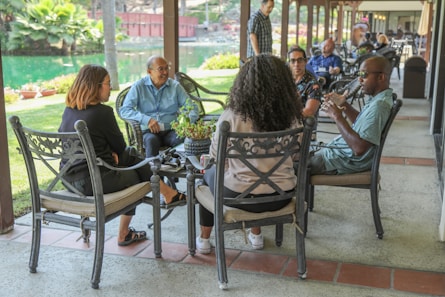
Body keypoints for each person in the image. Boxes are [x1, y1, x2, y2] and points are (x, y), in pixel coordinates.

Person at [59, 64, 185, 247]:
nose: (110, 88)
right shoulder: (103, 113)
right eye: (108, 84)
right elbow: (120, 147)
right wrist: (114, 154)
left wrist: (112, 154)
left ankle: (168, 193)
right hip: (93, 182)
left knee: (132, 159)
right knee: (138, 172)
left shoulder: (68, 111)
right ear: (95, 86)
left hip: (69, 179)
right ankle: (128, 229)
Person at [196, 54, 304, 254]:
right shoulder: (293, 119)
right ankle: (256, 235)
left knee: (206, 176)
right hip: (282, 196)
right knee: (254, 174)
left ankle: (203, 240)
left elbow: (216, 158)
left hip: (239, 197)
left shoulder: (231, 118)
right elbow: (296, 156)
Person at [309, 56, 393, 175]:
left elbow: (359, 148)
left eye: (364, 74)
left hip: (341, 161)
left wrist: (337, 116)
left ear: (381, 77)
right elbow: (361, 123)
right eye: (359, 74)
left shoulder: (380, 105)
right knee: (296, 154)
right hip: (338, 154)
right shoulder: (378, 98)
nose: (360, 80)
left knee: (288, 167)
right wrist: (344, 105)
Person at [119, 55, 198, 158]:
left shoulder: (175, 87)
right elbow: (125, 110)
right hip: (149, 132)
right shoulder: (139, 87)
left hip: (171, 130)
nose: (165, 72)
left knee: (183, 140)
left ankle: (178, 171)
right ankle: (152, 172)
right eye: (161, 69)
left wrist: (186, 124)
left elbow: (192, 107)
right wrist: (146, 119)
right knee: (151, 141)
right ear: (149, 71)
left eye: (166, 68)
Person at [288, 45, 322, 118]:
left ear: (306, 61)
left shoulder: (313, 85)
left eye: (300, 60)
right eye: (293, 61)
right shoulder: (285, 81)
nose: (296, 64)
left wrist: (284, 118)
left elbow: (309, 111)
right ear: (289, 63)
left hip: (300, 125)